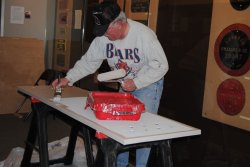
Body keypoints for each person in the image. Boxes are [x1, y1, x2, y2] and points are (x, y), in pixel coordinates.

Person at [52, 1, 169, 167]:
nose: (104, 35)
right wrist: (67, 78)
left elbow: (162, 65)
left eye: (107, 30)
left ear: (120, 23)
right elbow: (89, 62)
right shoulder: (103, 39)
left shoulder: (144, 36)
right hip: (126, 84)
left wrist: (137, 83)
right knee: (120, 127)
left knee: (144, 130)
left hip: (148, 84)